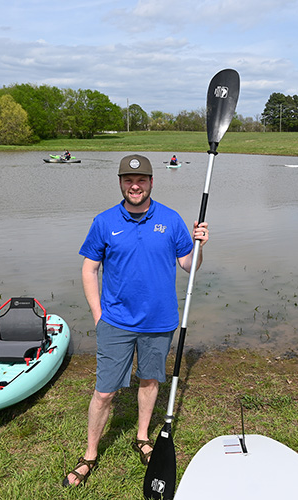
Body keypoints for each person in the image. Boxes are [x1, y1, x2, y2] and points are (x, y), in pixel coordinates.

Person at [63, 154, 209, 487]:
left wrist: (199, 245)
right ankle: (90, 454)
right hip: (115, 322)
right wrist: (99, 316)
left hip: (159, 322)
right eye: (129, 180)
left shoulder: (171, 220)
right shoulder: (104, 221)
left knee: (150, 381)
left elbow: (190, 265)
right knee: (104, 393)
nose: (135, 186)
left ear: (151, 182)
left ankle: (142, 437)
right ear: (120, 183)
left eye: (141, 180)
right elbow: (89, 269)